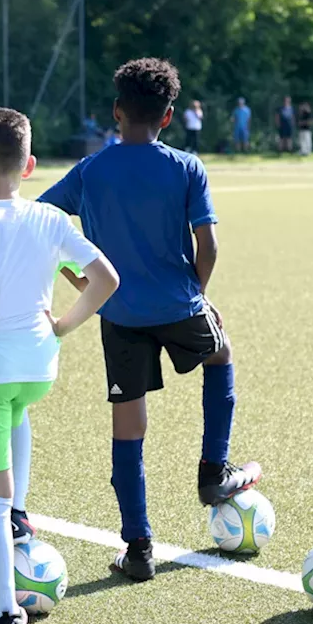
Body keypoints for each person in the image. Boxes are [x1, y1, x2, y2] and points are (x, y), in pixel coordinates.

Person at [39, 58, 261, 583]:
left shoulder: (91, 170)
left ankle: (138, 549)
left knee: (129, 424)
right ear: (168, 117)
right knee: (221, 352)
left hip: (118, 314)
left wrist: (81, 281)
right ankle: (212, 473)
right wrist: (199, 296)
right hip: (179, 304)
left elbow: (42, 222)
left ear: (117, 112)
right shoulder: (186, 167)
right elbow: (207, 244)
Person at [0, 108, 117, 624]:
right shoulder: (49, 219)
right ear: (31, 166)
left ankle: (6, 612)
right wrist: (64, 324)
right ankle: (21, 511)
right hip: (38, 367)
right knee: (20, 410)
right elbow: (105, 279)